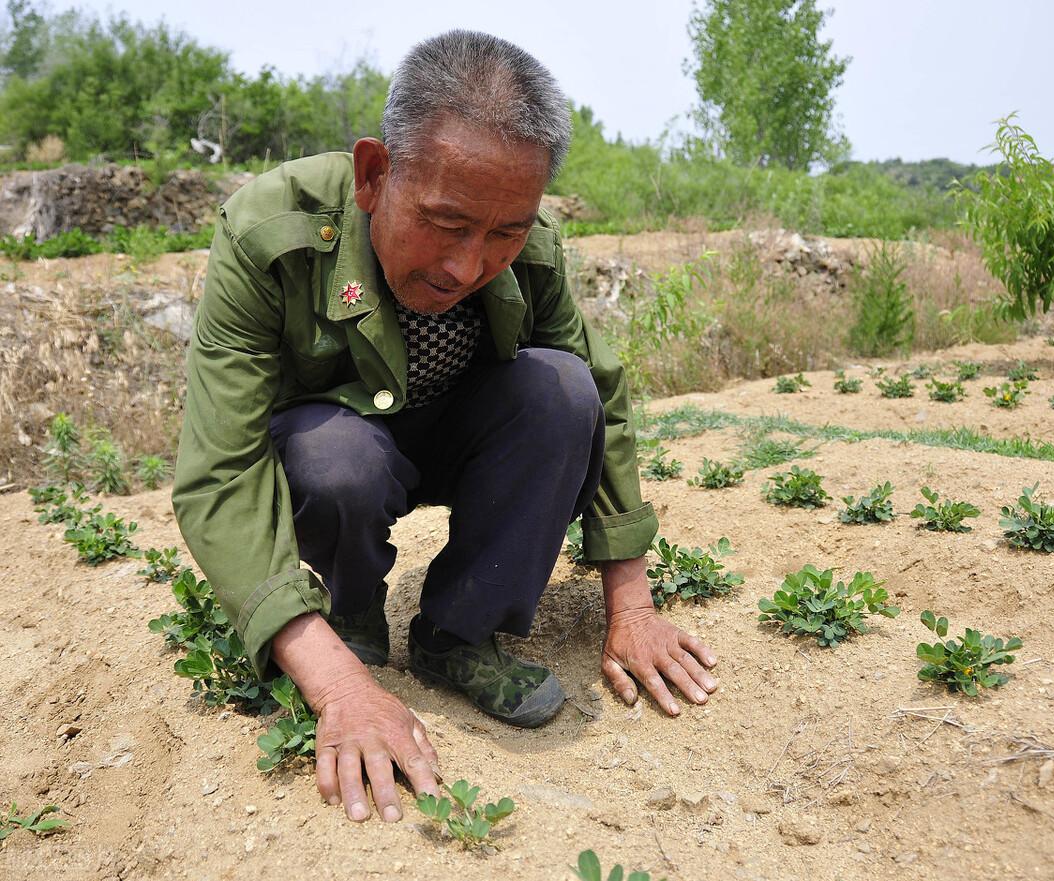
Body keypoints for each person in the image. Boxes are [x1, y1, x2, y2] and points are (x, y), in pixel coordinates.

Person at [171, 30, 719, 824]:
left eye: (504, 232)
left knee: (562, 390)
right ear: (373, 175)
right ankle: (347, 612)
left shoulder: (531, 250)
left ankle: (458, 635)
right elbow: (219, 469)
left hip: (451, 439)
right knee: (336, 458)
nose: (469, 265)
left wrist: (630, 605)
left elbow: (598, 388)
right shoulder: (271, 236)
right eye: (446, 222)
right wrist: (332, 681)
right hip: (340, 454)